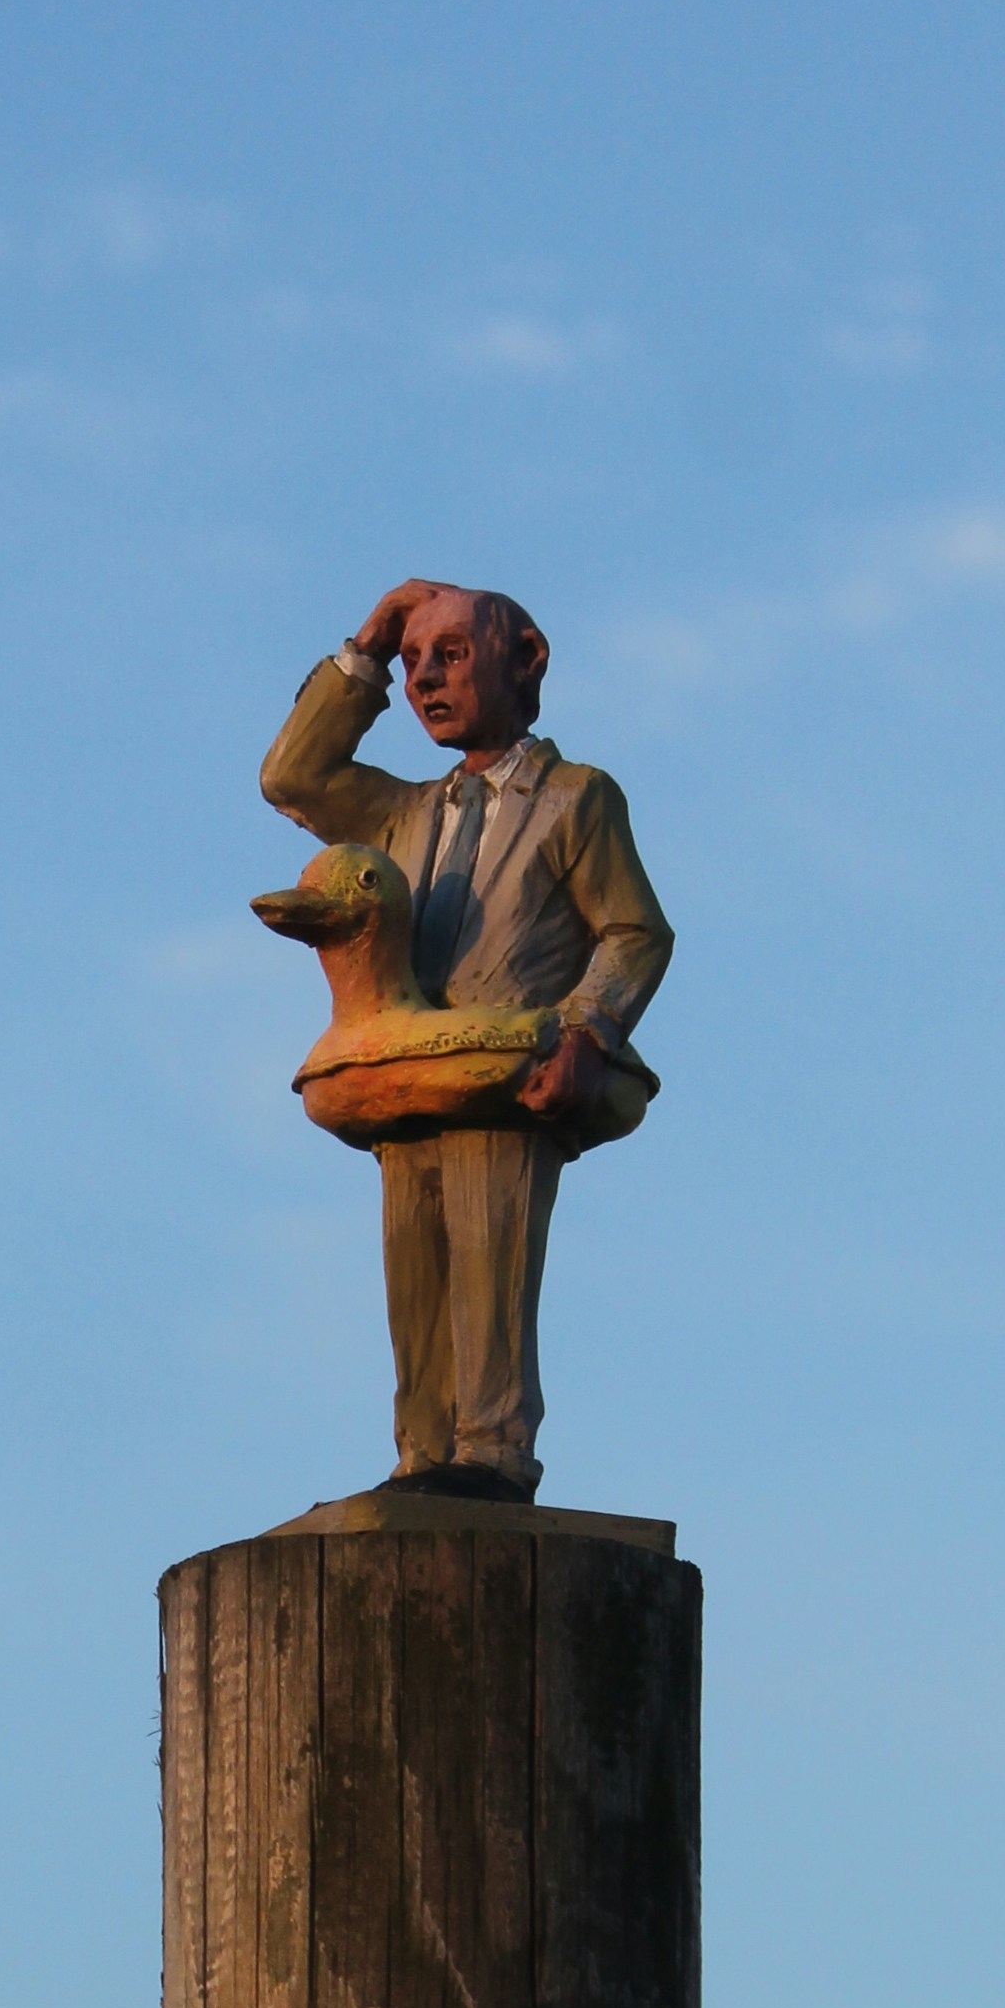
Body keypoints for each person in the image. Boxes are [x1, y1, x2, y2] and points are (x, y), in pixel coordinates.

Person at [261, 577, 673, 1503]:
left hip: (509, 1077)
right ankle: (424, 1456)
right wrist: (363, 648)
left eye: (448, 655)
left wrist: (587, 1029)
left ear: (523, 659)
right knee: (415, 1271)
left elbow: (635, 931)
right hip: (409, 1073)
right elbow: (291, 779)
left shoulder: (575, 800)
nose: (424, 681)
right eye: (412, 665)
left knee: (490, 1256)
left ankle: (492, 1451)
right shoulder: (403, 810)